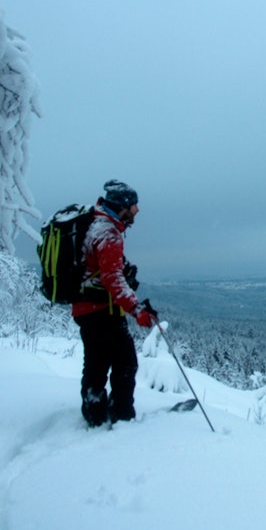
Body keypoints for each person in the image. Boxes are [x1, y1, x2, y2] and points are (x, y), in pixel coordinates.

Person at [72, 179, 158, 427]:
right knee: (126, 363)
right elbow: (111, 279)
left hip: (88, 308)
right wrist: (136, 310)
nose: (137, 210)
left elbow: (105, 270)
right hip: (101, 311)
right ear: (123, 206)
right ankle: (120, 415)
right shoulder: (108, 233)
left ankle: (95, 414)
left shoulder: (98, 226)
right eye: (134, 205)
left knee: (96, 364)